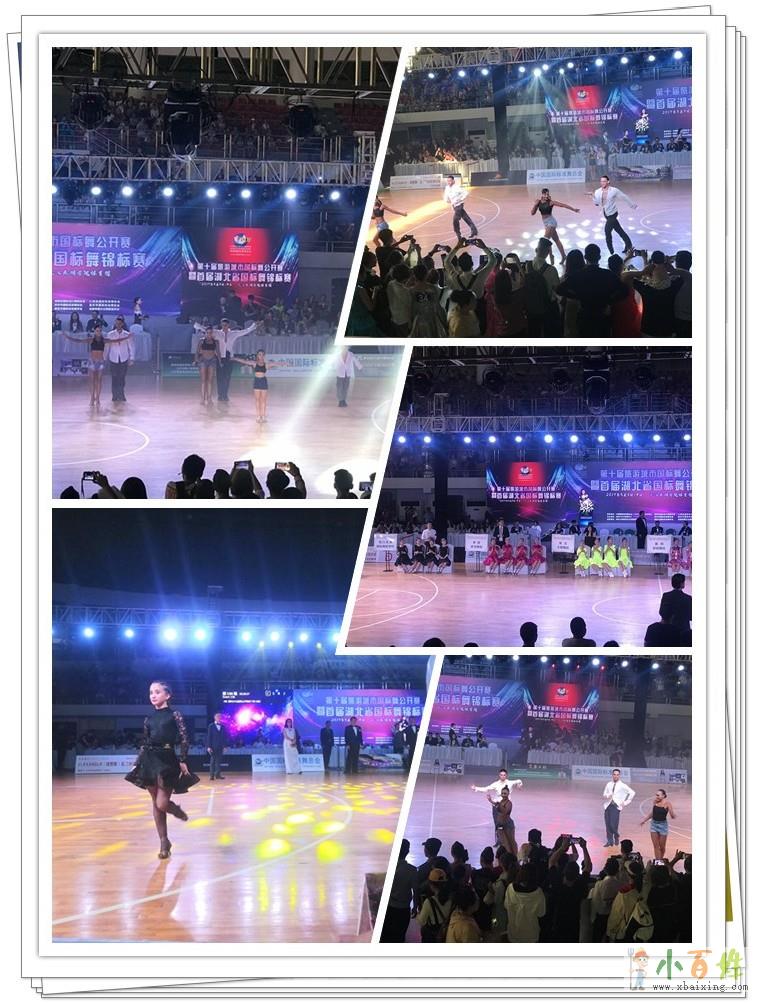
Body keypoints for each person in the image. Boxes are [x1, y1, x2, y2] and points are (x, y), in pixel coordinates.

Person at [124, 680, 199, 859]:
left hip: (167, 759)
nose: (153, 695)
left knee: (162, 803)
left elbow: (184, 738)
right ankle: (164, 842)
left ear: (168, 695)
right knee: (155, 804)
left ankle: (176, 810)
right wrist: (137, 762)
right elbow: (145, 743)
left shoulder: (175, 715)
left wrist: (183, 759)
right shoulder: (148, 719)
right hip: (149, 760)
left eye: (157, 692)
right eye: (151, 692)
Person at [60, 321, 129, 408]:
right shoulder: (91, 340)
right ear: (94, 331)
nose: (98, 332)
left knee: (99, 381)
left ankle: (98, 398)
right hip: (92, 362)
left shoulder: (104, 340)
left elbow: (116, 340)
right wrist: (67, 337)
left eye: (100, 331)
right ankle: (92, 398)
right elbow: (78, 340)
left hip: (100, 362)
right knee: (92, 381)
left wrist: (127, 337)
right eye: (97, 331)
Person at [380, 838, 419, 942]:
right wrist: (415, 907)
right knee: (399, 937)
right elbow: (416, 891)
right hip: (403, 910)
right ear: (407, 851)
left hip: (388, 908)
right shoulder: (412, 870)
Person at [589, 174, 638, 256]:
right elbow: (597, 204)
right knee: (619, 230)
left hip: (613, 213)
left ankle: (611, 251)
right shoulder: (598, 191)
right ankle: (629, 245)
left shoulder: (614, 190)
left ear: (608, 181)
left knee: (607, 231)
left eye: (604, 181)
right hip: (606, 214)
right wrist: (593, 196)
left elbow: (624, 197)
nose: (602, 183)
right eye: (601, 181)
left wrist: (632, 205)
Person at [471, 768, 523, 843]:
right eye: (501, 775)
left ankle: (505, 839)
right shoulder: (496, 784)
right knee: (497, 823)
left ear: (506, 776)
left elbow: (519, 781)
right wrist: (476, 788)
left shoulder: (510, 783)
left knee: (504, 822)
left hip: (505, 806)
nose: (503, 776)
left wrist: (519, 786)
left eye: (504, 775)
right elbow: (486, 788)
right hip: (496, 805)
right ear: (499, 775)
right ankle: (499, 840)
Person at [232, 349, 284, 424]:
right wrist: (235, 358)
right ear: (257, 356)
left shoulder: (266, 364)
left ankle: (263, 416)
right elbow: (244, 361)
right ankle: (258, 416)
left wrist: (285, 363)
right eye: (259, 354)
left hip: (263, 382)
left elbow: (276, 363)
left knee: (263, 400)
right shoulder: (254, 363)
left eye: (262, 354)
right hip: (257, 382)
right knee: (257, 400)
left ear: (264, 356)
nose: (261, 356)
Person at [530, 188, 580, 265]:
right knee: (556, 240)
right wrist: (535, 204)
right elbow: (532, 213)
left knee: (545, 240)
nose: (547, 196)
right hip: (546, 223)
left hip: (551, 222)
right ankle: (564, 256)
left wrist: (574, 209)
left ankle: (551, 257)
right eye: (545, 194)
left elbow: (563, 205)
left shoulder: (551, 202)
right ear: (542, 194)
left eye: (548, 194)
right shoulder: (538, 202)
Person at [215, 317, 257, 402]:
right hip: (219, 357)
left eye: (225, 325)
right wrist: (197, 325)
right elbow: (206, 329)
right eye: (222, 325)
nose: (224, 327)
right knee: (219, 377)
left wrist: (254, 325)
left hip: (229, 357)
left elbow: (245, 331)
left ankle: (225, 395)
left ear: (228, 325)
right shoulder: (217, 333)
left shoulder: (233, 333)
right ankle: (220, 395)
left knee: (227, 377)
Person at [503, 862, 546, 943]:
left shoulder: (510, 888)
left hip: (514, 934)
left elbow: (506, 906)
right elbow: (541, 913)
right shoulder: (539, 892)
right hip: (531, 935)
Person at [103, 316, 135, 403]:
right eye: (116, 323)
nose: (118, 325)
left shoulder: (127, 334)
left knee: (122, 377)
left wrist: (131, 358)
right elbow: (107, 347)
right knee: (114, 377)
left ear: (122, 324)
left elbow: (131, 347)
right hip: (113, 358)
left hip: (123, 358)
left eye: (120, 323)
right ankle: (114, 395)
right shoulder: (110, 334)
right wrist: (104, 357)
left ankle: (121, 394)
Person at [602, 768, 636, 847]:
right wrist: (608, 795)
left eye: (617, 775)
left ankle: (616, 836)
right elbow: (604, 794)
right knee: (608, 825)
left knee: (613, 824)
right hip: (608, 806)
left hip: (616, 806)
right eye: (614, 774)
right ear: (612, 775)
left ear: (619, 775)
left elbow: (632, 793)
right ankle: (610, 841)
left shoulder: (622, 785)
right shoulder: (609, 784)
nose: (616, 776)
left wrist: (626, 802)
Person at [639, 788, 676, 859]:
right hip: (654, 825)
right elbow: (653, 813)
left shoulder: (668, 804)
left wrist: (672, 814)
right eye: (656, 795)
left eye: (658, 795)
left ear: (663, 796)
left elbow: (672, 815)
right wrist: (644, 820)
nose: (656, 797)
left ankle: (660, 859)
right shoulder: (655, 802)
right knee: (656, 846)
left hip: (663, 826)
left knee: (662, 847)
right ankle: (657, 861)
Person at [442, 174, 478, 239]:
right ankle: (474, 230)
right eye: (448, 181)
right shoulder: (447, 188)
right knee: (466, 218)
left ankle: (458, 235)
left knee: (455, 220)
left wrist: (460, 199)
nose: (449, 182)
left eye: (450, 181)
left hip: (459, 205)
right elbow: (446, 197)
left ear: (453, 181)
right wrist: (448, 201)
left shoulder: (457, 187)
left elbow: (466, 192)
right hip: (454, 206)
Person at [194, 324, 221, 405]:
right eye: (207, 333)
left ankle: (209, 398)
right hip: (203, 360)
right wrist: (196, 360)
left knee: (210, 381)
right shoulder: (201, 341)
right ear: (205, 333)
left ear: (212, 333)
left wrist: (220, 361)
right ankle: (202, 398)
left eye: (210, 333)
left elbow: (218, 352)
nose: (209, 334)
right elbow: (197, 351)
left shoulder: (216, 341)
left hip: (212, 360)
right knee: (203, 380)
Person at [491, 788, 517, 855]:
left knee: (511, 842)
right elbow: (497, 805)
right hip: (500, 825)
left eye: (505, 793)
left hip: (508, 825)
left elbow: (505, 812)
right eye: (502, 793)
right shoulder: (501, 802)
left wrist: (498, 806)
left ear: (508, 794)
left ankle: (513, 856)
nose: (503, 795)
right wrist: (490, 800)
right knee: (504, 842)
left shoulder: (509, 803)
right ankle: (509, 856)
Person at [206, 712, 228, 781]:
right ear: (215, 718)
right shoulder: (211, 726)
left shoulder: (223, 726)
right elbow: (209, 737)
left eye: (220, 717)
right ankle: (211, 776)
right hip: (213, 746)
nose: (219, 718)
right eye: (218, 717)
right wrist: (208, 747)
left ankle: (218, 775)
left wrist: (225, 746)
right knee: (212, 761)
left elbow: (224, 737)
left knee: (218, 761)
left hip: (220, 746)